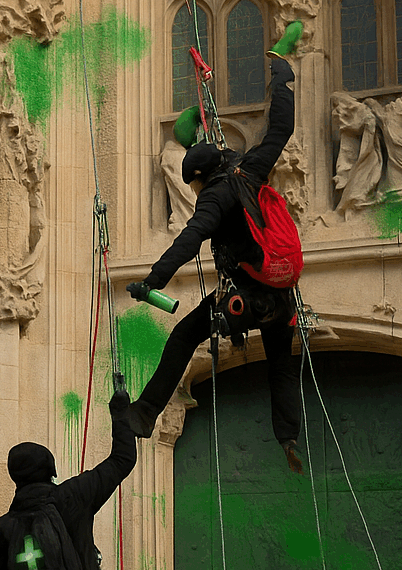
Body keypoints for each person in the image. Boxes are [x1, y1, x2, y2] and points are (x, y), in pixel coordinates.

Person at [125, 57, 304, 474]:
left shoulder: (214, 196)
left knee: (185, 336)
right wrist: (282, 79)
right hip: (281, 297)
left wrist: (153, 280)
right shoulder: (250, 170)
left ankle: (145, 413)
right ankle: (288, 437)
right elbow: (280, 129)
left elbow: (190, 239)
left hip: (242, 301)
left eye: (192, 184)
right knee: (281, 366)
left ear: (199, 176)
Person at [0, 389, 135, 570]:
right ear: (50, 469)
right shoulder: (74, 495)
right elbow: (123, 459)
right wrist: (120, 412)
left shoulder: (3, 526)